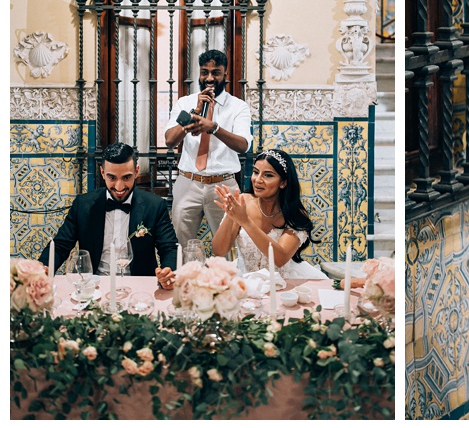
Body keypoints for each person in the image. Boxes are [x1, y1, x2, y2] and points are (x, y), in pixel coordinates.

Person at [39, 142, 179, 288]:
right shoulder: (83, 205)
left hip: (139, 285)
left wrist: (168, 271)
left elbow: (169, 247)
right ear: (102, 172)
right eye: (112, 178)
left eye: (126, 178)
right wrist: (43, 267)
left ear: (137, 172)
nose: (119, 187)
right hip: (93, 285)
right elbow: (61, 245)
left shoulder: (155, 206)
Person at [163, 49, 252, 248]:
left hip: (224, 186)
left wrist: (214, 128)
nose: (209, 78)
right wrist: (194, 112)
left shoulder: (238, 107)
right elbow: (169, 140)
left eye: (215, 72)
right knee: (180, 246)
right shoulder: (184, 103)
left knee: (230, 247)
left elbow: (243, 145)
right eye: (205, 72)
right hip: (188, 182)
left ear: (225, 75)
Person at [210, 149, 326, 279]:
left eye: (268, 175)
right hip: (248, 281)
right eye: (255, 172)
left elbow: (279, 259)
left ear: (283, 183)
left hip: (284, 281)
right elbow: (219, 251)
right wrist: (230, 216)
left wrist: (245, 221)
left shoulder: (296, 214)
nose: (258, 180)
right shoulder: (242, 203)